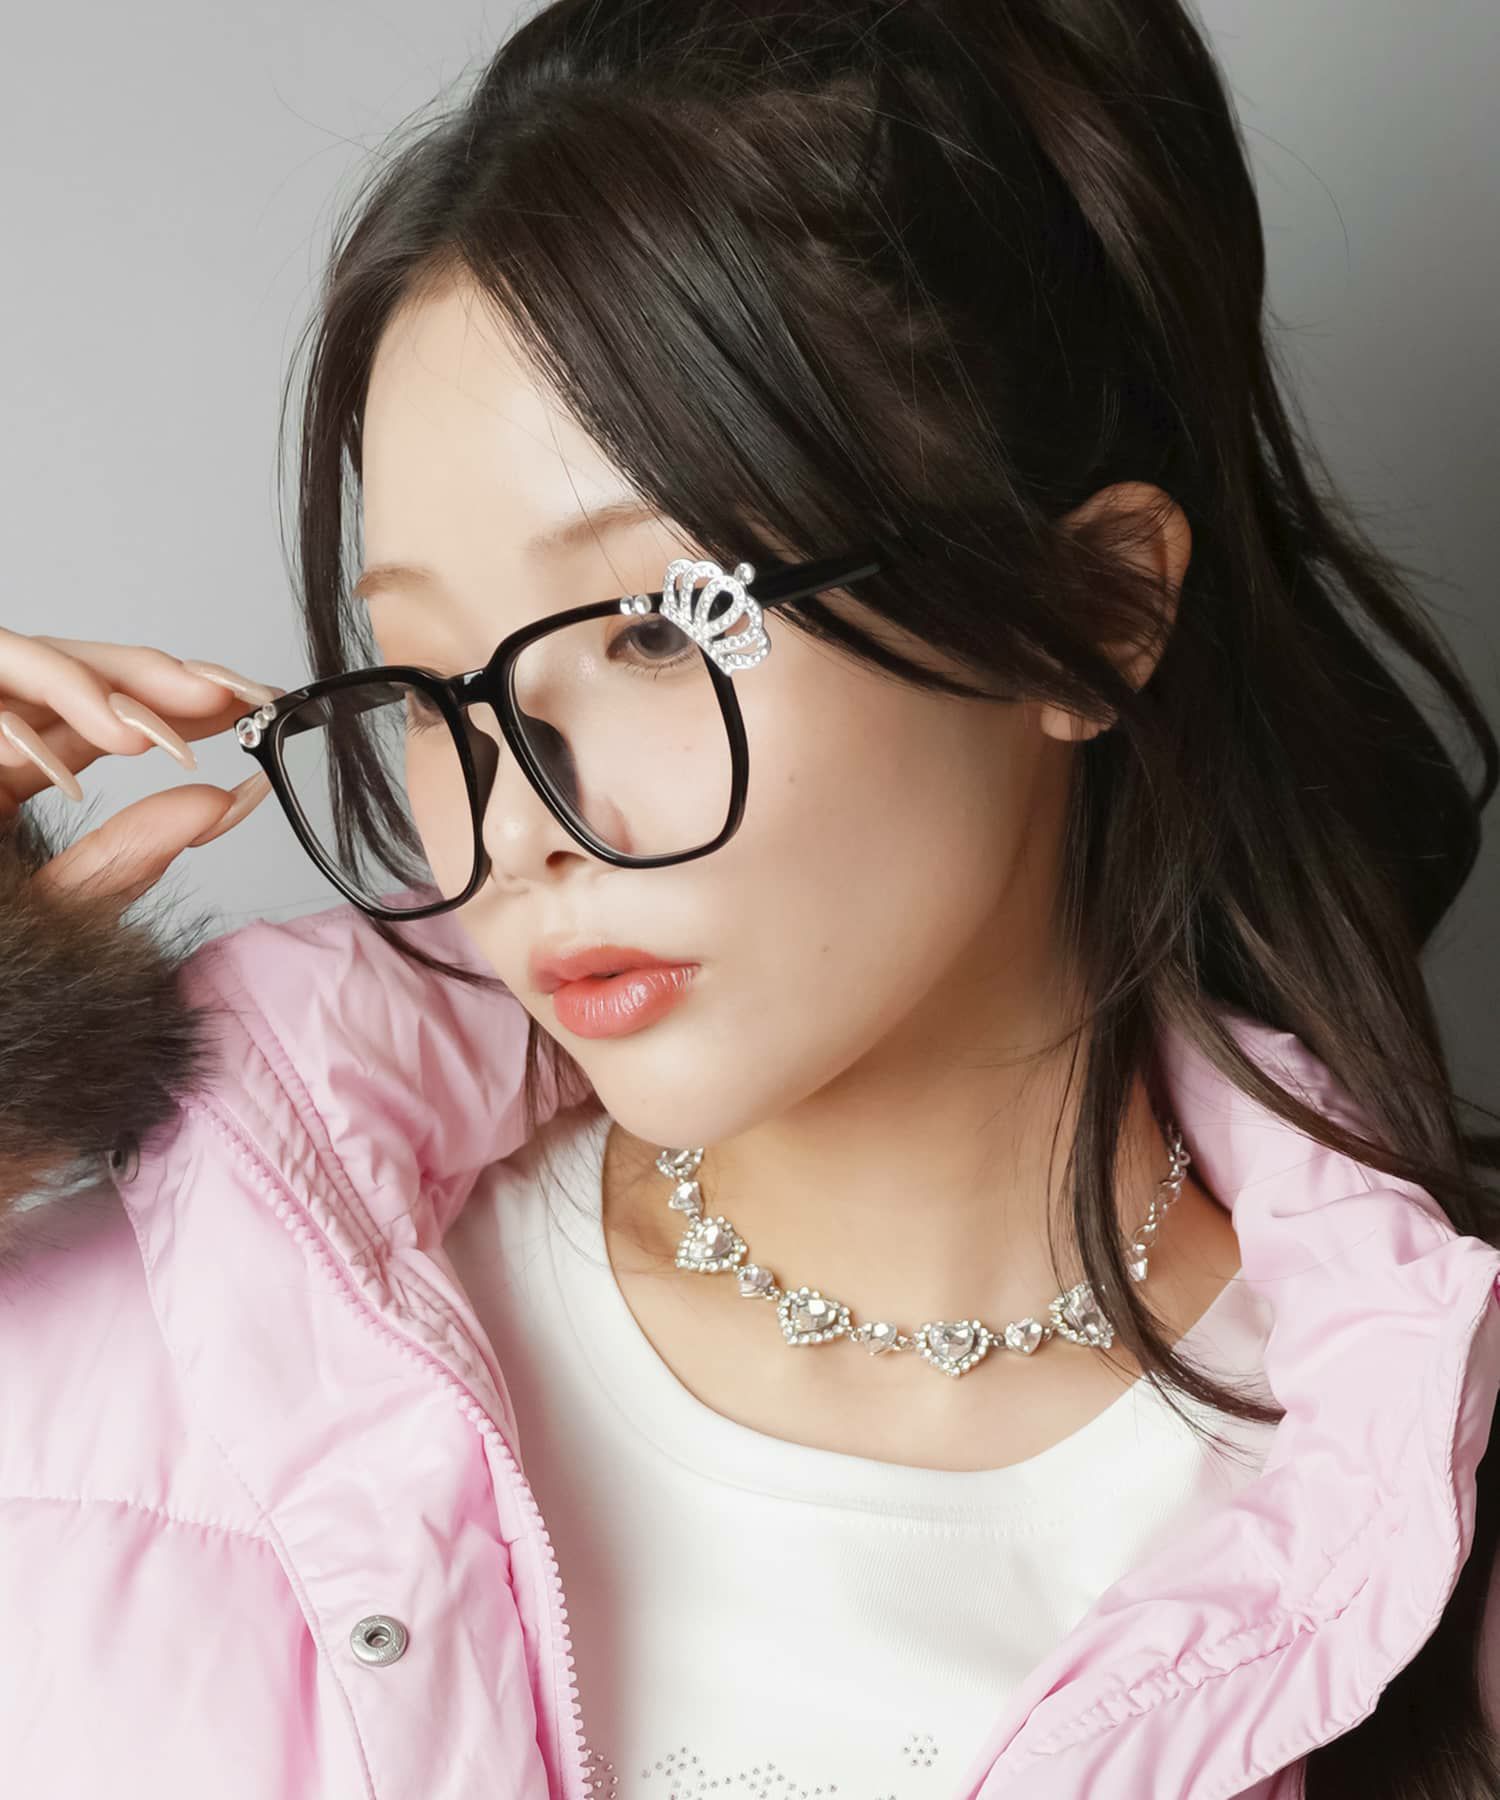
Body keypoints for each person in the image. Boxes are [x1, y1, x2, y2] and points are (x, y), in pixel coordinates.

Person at [0, 1, 1496, 1795]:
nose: (515, 823)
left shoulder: (1410, 1480)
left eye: (655, 627)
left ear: (1098, 612)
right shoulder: (159, 1333)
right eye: (427, 685)